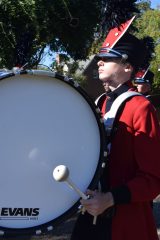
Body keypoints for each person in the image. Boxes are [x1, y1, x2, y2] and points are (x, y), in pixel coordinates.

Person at [70, 16, 160, 240]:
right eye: (100, 58)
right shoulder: (100, 102)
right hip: (90, 215)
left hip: (124, 223)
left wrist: (109, 198)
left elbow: (153, 180)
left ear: (127, 67)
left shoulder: (141, 107)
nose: (99, 62)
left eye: (108, 58)